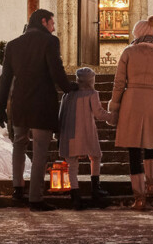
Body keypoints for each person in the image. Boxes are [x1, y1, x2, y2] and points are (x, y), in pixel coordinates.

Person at [0, 9, 77, 212]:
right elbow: (55, 69)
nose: (54, 27)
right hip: (42, 104)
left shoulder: (13, 45)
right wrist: (70, 87)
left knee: (19, 145)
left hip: (20, 104)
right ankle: (35, 198)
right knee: (40, 150)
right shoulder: (49, 41)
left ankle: (17, 188)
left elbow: (5, 78)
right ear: (43, 21)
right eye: (52, 22)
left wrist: (0, 106)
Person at [108, 19, 153, 210]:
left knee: (134, 148)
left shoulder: (129, 52)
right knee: (151, 145)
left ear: (138, 32)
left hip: (132, 99)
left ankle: (139, 197)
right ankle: (151, 185)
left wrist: (115, 104)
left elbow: (119, 82)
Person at [58, 67, 117, 210]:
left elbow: (61, 113)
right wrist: (113, 117)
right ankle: (95, 188)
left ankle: (75, 196)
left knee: (72, 165)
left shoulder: (68, 94)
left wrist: (58, 132)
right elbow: (99, 113)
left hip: (68, 132)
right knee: (95, 156)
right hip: (86, 132)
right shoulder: (92, 93)